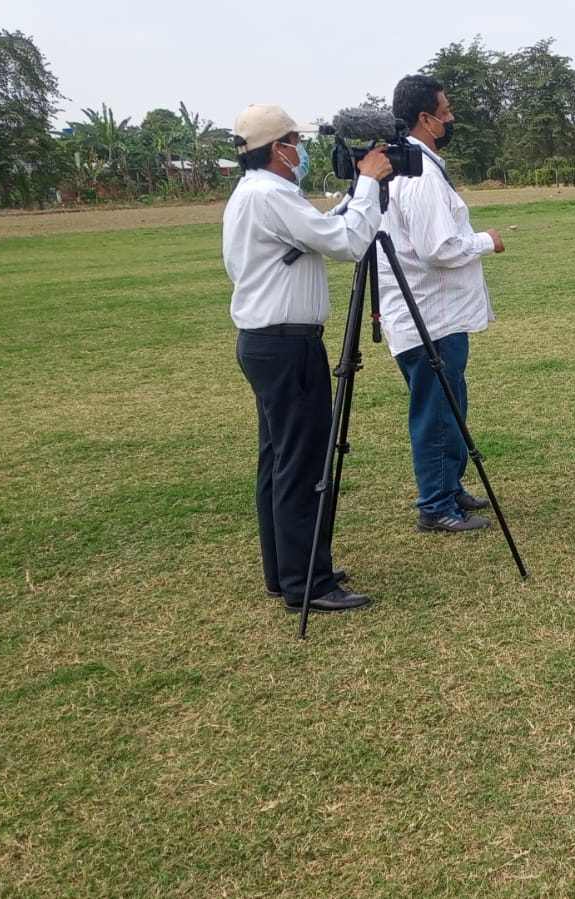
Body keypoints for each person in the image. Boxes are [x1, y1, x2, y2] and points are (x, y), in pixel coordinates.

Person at [223, 104, 392, 614]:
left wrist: (354, 198)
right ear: (279, 149)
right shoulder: (271, 195)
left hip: (265, 341)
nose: (302, 151)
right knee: (301, 464)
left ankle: (285, 570)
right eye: (296, 142)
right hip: (287, 344)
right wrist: (369, 182)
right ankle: (308, 583)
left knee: (279, 460)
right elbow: (348, 243)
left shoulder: (253, 192)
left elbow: (318, 230)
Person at [373, 74, 504, 533]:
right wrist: (487, 241)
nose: (451, 119)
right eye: (445, 112)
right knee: (436, 413)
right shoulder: (421, 175)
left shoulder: (405, 165)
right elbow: (438, 248)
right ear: (426, 119)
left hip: (432, 313)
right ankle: (435, 505)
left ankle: (450, 487)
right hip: (430, 316)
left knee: (449, 405)